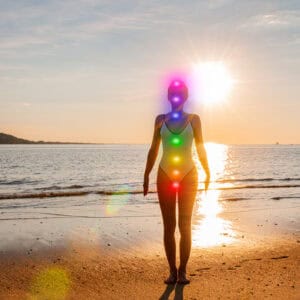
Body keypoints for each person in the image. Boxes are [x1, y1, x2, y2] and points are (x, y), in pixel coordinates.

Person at [143, 79, 210, 285]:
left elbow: (200, 148)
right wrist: (146, 175)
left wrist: (208, 171)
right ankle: (172, 272)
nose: (175, 97)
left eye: (179, 93)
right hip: (164, 175)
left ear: (186, 96)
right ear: (167, 96)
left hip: (189, 175)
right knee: (169, 227)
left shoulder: (194, 119)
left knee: (185, 226)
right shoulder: (159, 119)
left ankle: (183, 272)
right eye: (172, 93)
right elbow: (154, 149)